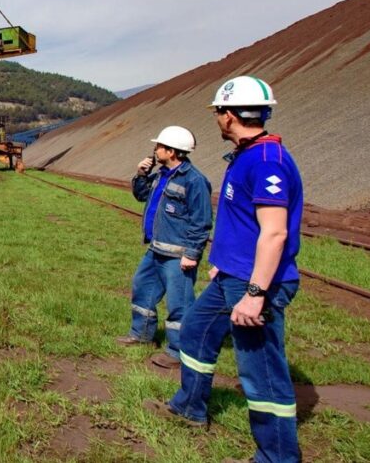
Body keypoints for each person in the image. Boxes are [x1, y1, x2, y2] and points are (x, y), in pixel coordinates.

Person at [146, 75, 303, 463]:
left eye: (218, 112)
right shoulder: (246, 157)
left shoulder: (267, 162)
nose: (216, 119)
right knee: (197, 331)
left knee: (261, 371)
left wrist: (254, 294)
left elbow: (274, 233)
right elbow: (242, 225)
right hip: (231, 276)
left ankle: (278, 456)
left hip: (254, 285)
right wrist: (222, 265)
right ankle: (190, 405)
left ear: (229, 116)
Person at [117, 125, 212, 369]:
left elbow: (201, 221)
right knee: (142, 288)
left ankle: (177, 351)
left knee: (179, 303)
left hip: (178, 254)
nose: (155, 149)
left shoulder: (195, 181)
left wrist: (192, 254)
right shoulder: (161, 175)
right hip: (156, 249)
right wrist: (140, 174)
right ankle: (141, 335)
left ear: (171, 151)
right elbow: (141, 196)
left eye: (159, 146)